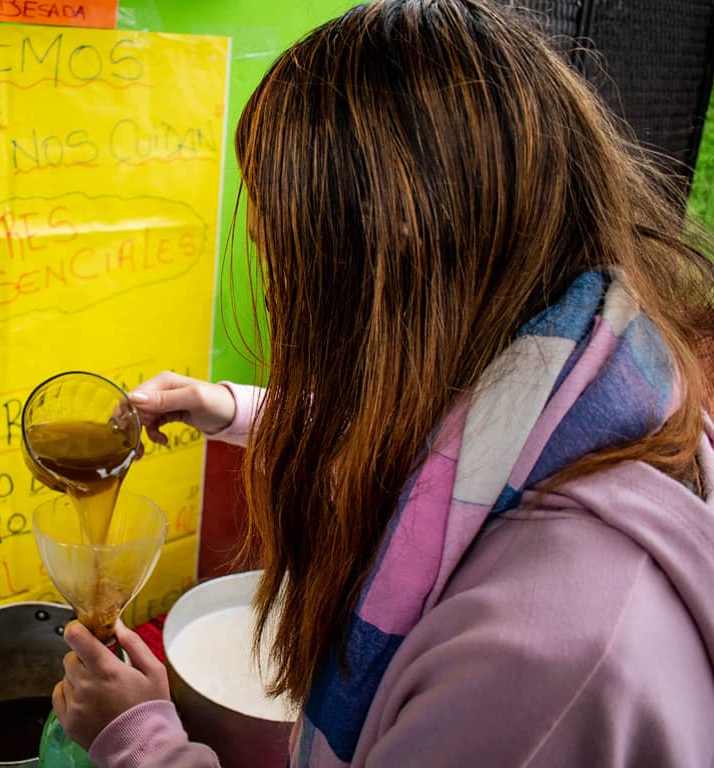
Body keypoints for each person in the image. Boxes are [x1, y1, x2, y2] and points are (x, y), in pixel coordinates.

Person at [52, 1, 714, 765]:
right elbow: (446, 447)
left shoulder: (536, 665)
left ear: (386, 262)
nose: (272, 287)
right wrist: (231, 409)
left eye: (281, 254)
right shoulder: (595, 373)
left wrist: (140, 739)